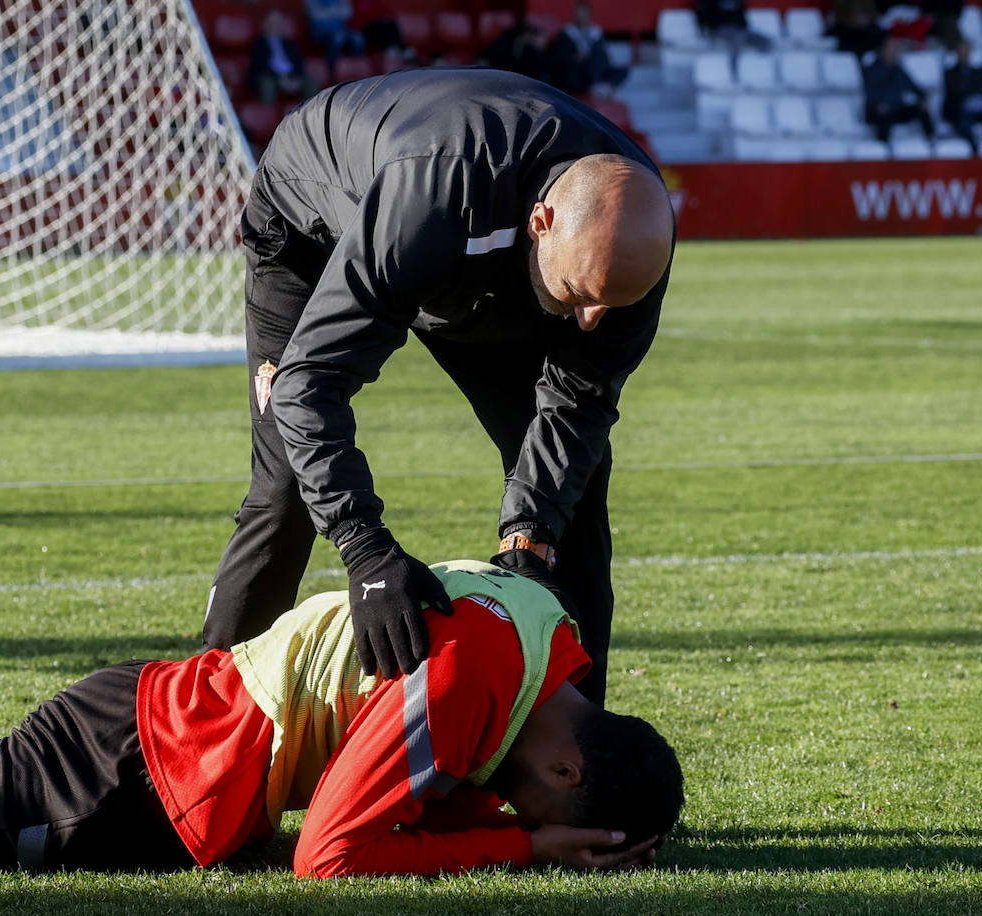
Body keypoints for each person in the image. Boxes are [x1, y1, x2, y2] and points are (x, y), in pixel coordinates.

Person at [201, 68, 675, 707]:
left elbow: (580, 400)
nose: (592, 320)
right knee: (288, 483)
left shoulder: (631, 238)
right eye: (581, 295)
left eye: (611, 304)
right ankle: (198, 725)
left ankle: (574, 749)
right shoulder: (435, 193)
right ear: (542, 221)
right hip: (317, 224)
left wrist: (528, 540)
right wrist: (366, 553)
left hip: (481, 254)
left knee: (571, 500)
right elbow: (307, 387)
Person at [0, 562, 682, 878]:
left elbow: (413, 777)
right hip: (143, 776)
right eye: (538, 811)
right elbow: (330, 855)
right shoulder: (461, 690)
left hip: (148, 722)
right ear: (567, 772)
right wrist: (520, 851)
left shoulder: (540, 625)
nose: (512, 811)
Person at [861, 37, 936, 144]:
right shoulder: (872, 70)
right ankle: (882, 146)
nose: (895, 52)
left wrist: (923, 98)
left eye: (897, 49)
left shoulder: (898, 70)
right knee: (884, 114)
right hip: (878, 110)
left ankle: (932, 139)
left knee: (921, 110)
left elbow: (914, 87)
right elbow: (869, 92)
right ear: (882, 50)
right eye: (892, 49)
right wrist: (879, 104)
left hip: (897, 109)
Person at [941, 41, 982, 156]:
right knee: (965, 123)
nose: (964, 53)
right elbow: (955, 91)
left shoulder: (978, 71)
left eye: (967, 50)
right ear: (956, 52)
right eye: (962, 50)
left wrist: (970, 92)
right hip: (959, 108)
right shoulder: (950, 72)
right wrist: (970, 93)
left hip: (978, 108)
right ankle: (974, 151)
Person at [548, 3, 629, 96]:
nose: (581, 17)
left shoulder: (596, 32)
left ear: (589, 15)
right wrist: (575, 57)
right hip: (577, 72)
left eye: (584, 14)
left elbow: (603, 55)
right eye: (578, 14)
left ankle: (605, 85)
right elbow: (559, 57)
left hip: (597, 69)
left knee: (624, 69)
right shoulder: (567, 33)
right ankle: (597, 86)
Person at [246, 10, 319, 105]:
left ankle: (311, 115)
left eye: (278, 22)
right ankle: (268, 115)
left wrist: (295, 79)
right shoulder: (259, 43)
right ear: (265, 24)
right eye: (272, 22)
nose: (276, 25)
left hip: (291, 77)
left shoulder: (290, 44)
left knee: (311, 83)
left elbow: (299, 64)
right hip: (272, 77)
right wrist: (280, 79)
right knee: (267, 83)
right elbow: (259, 67)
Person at [694, 0, 775, 54]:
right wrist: (705, 30)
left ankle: (762, 65)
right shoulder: (709, 1)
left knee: (765, 40)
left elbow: (742, 17)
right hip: (719, 29)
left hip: (740, 30)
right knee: (738, 38)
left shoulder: (737, 2)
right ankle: (736, 67)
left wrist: (743, 26)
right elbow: (702, 16)